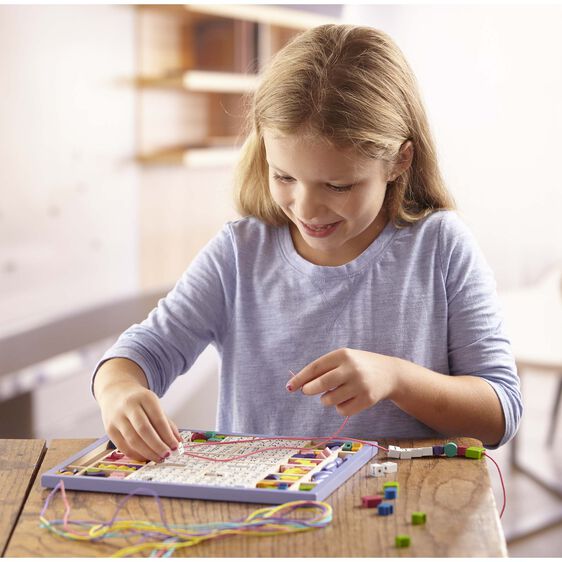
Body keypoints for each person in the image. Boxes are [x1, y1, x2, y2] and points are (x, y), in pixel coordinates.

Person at [92, 24, 522, 463]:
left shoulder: (441, 247)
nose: (306, 209)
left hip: (397, 514)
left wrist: (396, 378)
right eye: (284, 177)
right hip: (266, 518)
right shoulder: (240, 253)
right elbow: (143, 351)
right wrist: (118, 390)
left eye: (338, 185)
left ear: (399, 160)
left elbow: (501, 414)